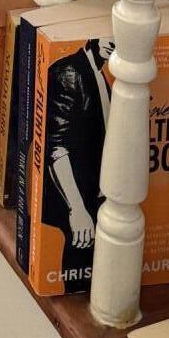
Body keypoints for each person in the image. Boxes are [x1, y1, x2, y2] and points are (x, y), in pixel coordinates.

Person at [43, 34, 112, 265]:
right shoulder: (69, 72)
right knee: (77, 275)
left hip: (97, 201)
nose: (113, 42)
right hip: (77, 205)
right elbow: (56, 148)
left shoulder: (100, 75)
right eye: (107, 35)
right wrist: (77, 209)